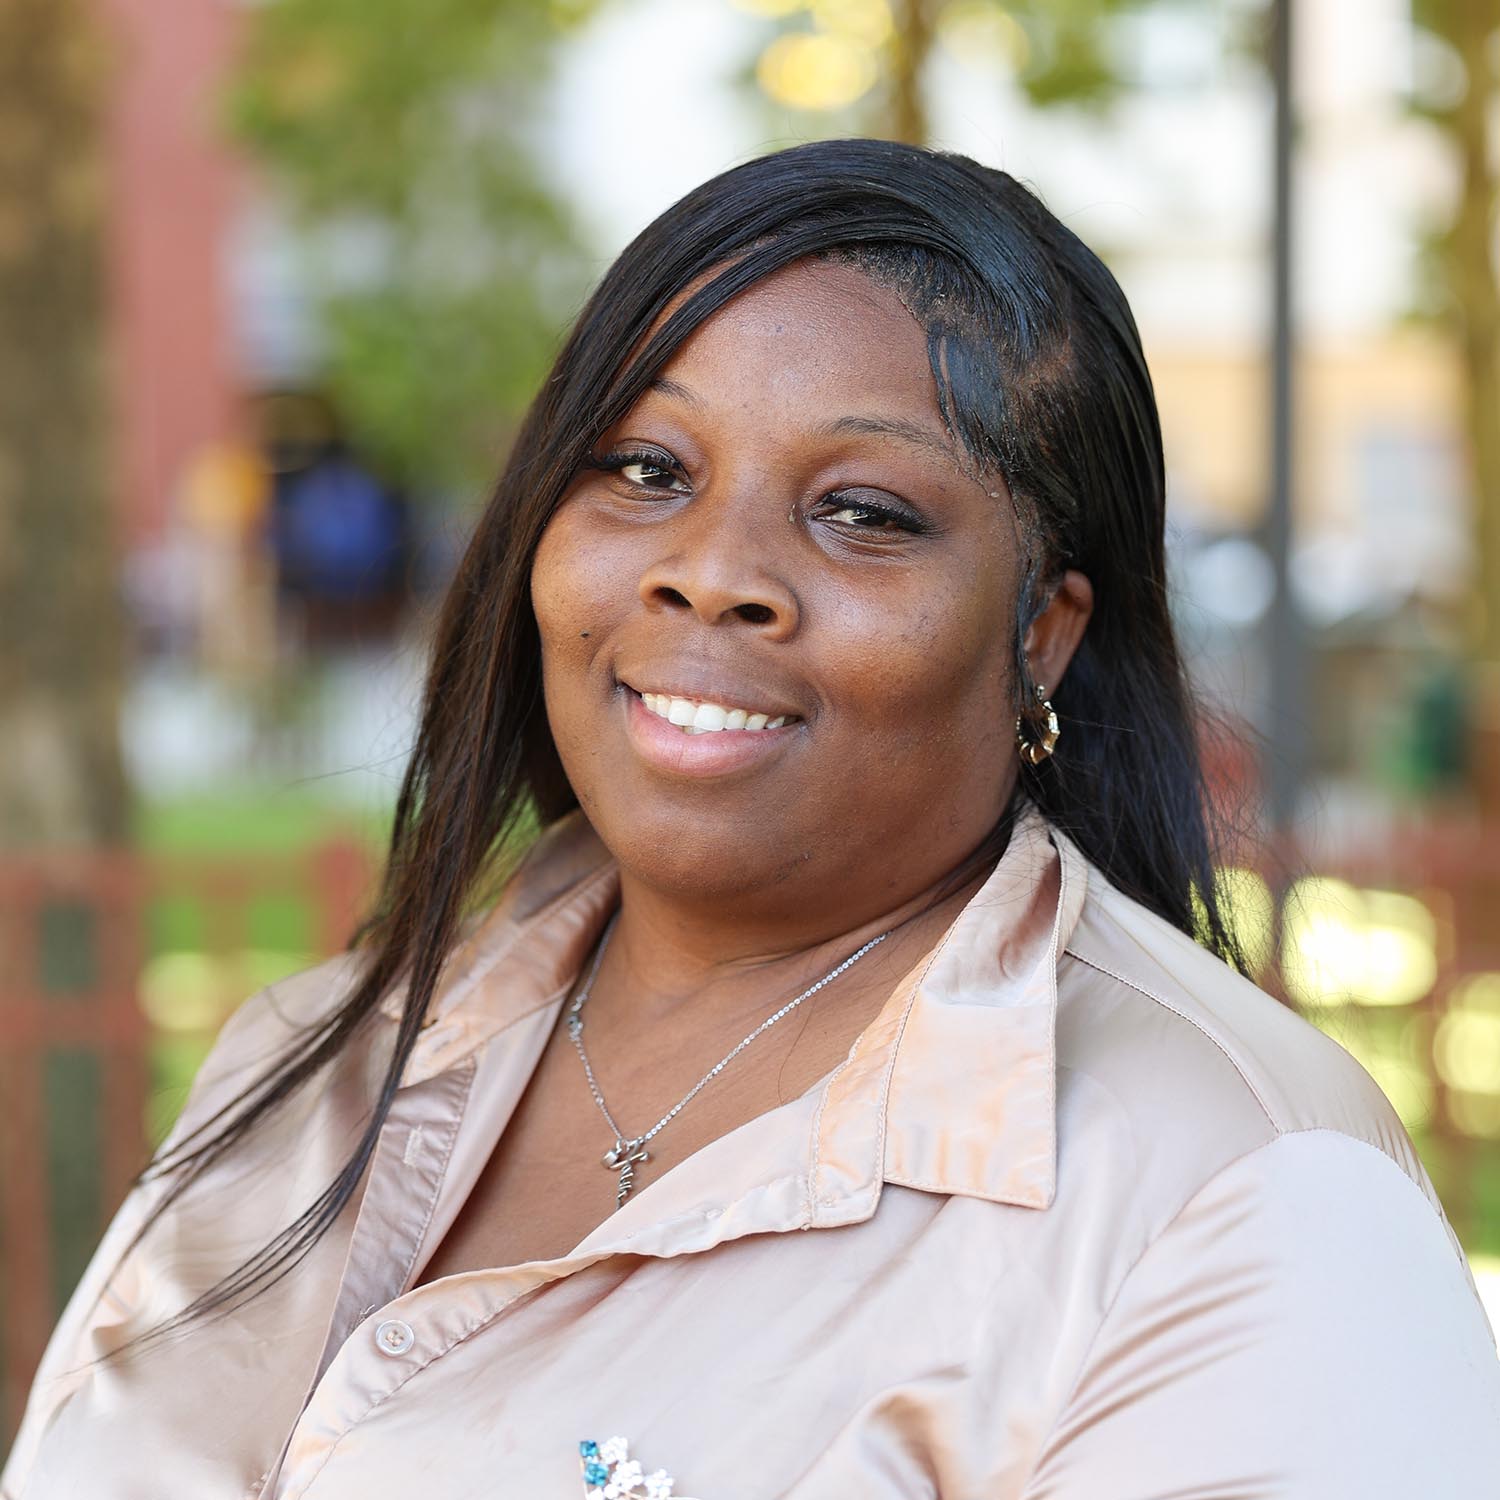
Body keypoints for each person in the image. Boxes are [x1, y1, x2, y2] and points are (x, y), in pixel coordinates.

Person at [5, 138, 1498, 1500]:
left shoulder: (1234, 1194)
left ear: (1042, 631)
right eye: (646, 471)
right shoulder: (308, 1059)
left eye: (863, 510)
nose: (713, 572)